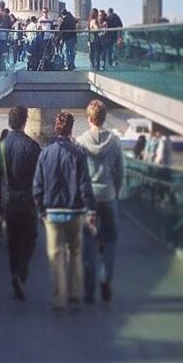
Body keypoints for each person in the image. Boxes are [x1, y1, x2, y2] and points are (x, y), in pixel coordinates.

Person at [33, 111, 96, 312]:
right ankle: (75, 295)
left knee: (56, 257)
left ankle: (59, 299)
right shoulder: (79, 153)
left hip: (52, 213)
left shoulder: (45, 153)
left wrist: (41, 211)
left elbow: (37, 186)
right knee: (75, 254)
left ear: (56, 128)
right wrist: (91, 209)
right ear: (71, 129)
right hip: (74, 211)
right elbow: (84, 185)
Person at [76, 100, 124, 304]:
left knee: (88, 243)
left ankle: (88, 289)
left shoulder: (80, 142)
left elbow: (77, 173)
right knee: (111, 239)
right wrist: (116, 191)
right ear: (104, 117)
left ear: (89, 118)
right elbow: (120, 172)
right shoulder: (114, 141)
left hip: (89, 199)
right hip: (108, 195)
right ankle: (106, 279)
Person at [0, 108, 41, 302]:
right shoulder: (33, 147)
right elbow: (39, 179)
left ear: (9, 121)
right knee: (30, 240)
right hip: (28, 203)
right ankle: (21, 274)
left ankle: (14, 273)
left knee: (12, 243)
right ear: (24, 122)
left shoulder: (0, 148)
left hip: (9, 204)